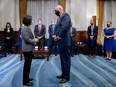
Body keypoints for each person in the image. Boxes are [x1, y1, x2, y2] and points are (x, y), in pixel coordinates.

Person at [53, 5, 71, 83]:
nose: (55, 12)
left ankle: (66, 77)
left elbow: (64, 28)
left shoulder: (65, 15)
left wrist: (58, 36)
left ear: (60, 9)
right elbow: (58, 28)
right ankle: (63, 74)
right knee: (62, 60)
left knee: (66, 60)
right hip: (60, 42)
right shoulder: (59, 18)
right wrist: (54, 35)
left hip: (65, 42)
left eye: (55, 10)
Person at [21, 15, 39, 86]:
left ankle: (27, 78)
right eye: (31, 20)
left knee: (28, 65)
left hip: (28, 49)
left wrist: (34, 39)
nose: (32, 21)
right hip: (27, 49)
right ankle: (25, 82)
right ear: (28, 21)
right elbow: (27, 39)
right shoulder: (25, 28)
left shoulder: (27, 27)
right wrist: (35, 40)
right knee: (27, 66)